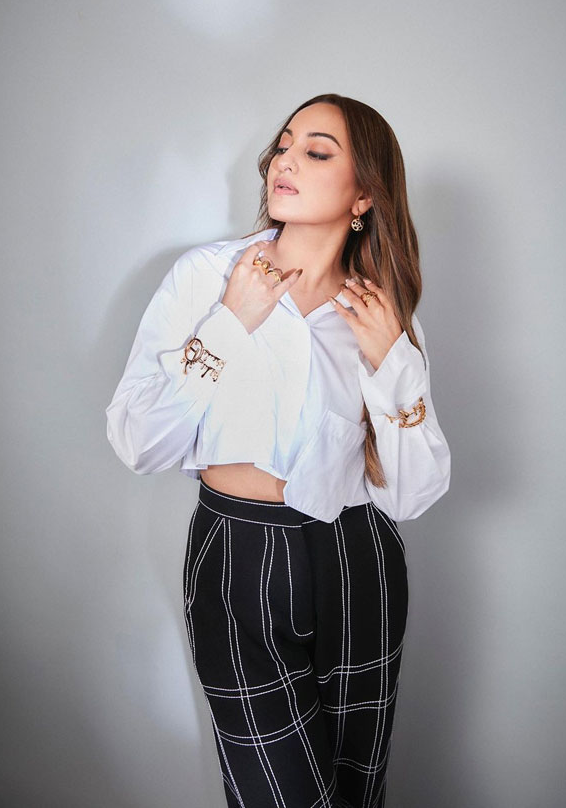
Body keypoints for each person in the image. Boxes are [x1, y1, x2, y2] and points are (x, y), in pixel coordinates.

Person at [106, 93, 451, 808]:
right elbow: (139, 442)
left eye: (317, 152)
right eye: (284, 145)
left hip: (358, 561)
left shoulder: (381, 314)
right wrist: (232, 321)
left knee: (356, 792)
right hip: (238, 557)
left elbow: (411, 495)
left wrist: (393, 363)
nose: (285, 161)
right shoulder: (208, 277)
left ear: (363, 197)